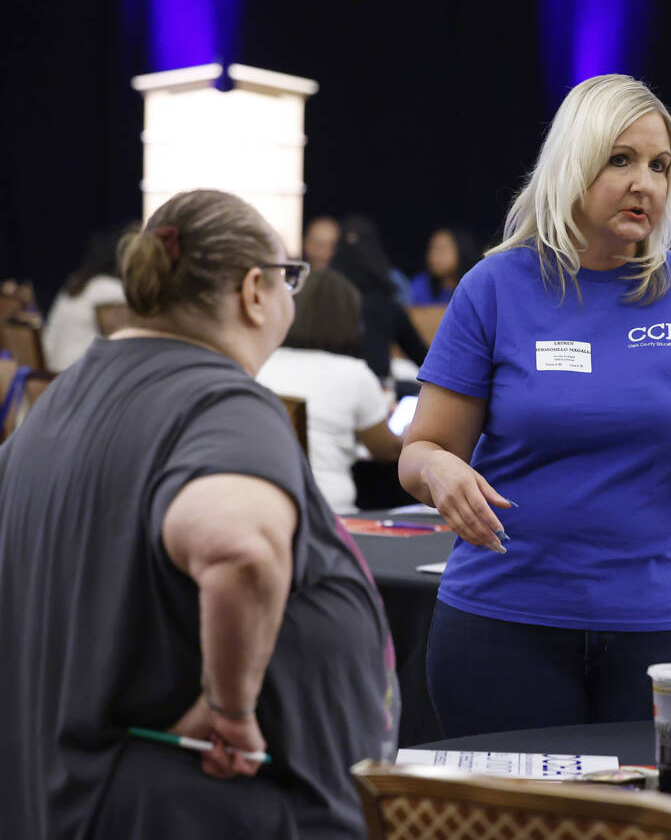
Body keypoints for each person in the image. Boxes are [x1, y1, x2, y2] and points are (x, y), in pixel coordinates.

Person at [397, 74, 671, 736]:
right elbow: (421, 450)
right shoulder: (494, 287)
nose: (645, 182)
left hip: (665, 632)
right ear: (574, 160)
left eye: (660, 166)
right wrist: (442, 472)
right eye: (620, 159)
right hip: (502, 623)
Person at [0, 190, 398, 838]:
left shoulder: (59, 398)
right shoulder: (219, 401)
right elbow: (238, 549)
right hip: (198, 809)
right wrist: (230, 706)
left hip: (81, 799)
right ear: (254, 290)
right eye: (289, 277)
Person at [257, 268, 405, 513]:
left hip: (264, 508)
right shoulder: (353, 373)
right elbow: (385, 450)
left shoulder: (260, 362)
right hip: (331, 513)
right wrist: (411, 436)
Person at [330, 215, 427, 377]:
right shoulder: (387, 304)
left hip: (326, 386)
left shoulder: (320, 299)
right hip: (378, 388)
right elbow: (423, 359)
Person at [41, 224, 131, 371]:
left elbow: (48, 343)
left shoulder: (73, 285)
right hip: (82, 379)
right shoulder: (111, 291)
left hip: (53, 376)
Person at [409, 227, 479, 305]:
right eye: (431, 248)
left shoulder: (477, 288)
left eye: (442, 249)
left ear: (461, 250)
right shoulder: (420, 286)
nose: (434, 255)